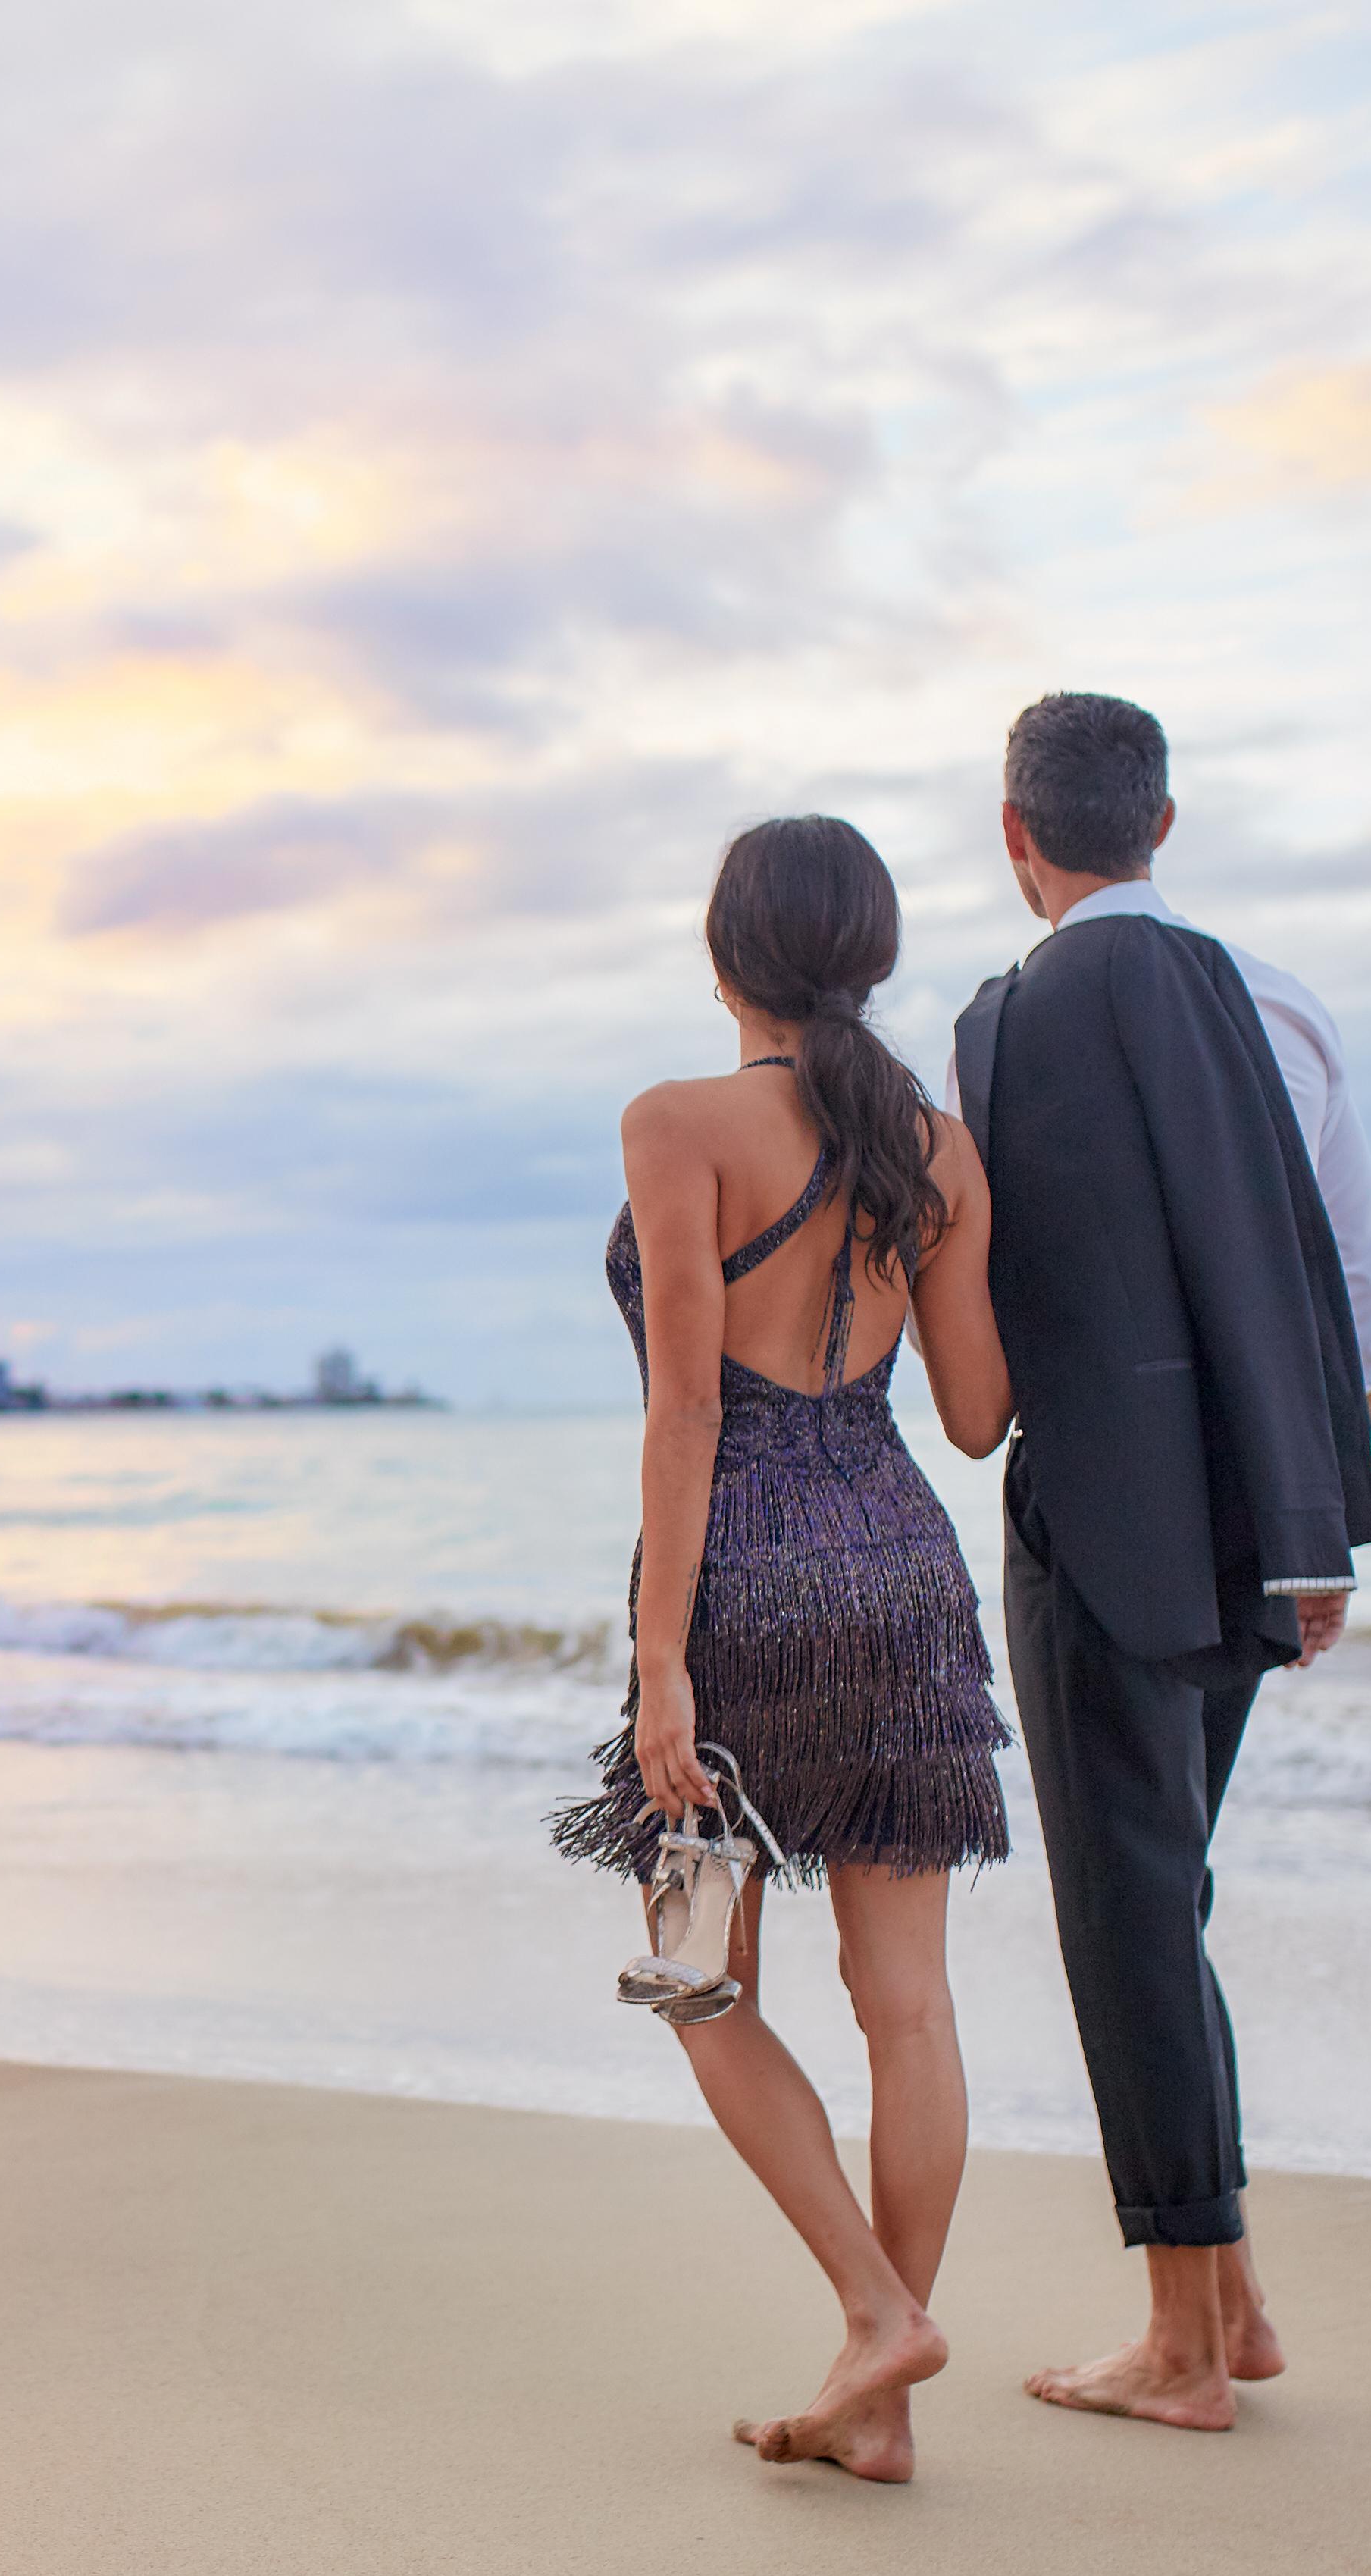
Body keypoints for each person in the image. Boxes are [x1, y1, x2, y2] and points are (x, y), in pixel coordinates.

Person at [550, 813, 1016, 2485]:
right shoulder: (942, 1149)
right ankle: (879, 2396)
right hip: (901, 1565)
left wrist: (657, 1655)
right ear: (873, 954)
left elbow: (687, 1404)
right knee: (910, 2003)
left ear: (722, 951)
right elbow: (975, 1418)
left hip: (737, 1586)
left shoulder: (675, 1123)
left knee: (695, 1974)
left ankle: (877, 2316)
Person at [947, 691, 1371, 2433]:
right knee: (1170, 1890)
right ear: (1165, 822)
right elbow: (1358, 1292)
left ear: (1016, 835)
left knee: (1124, 1913)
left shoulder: (1001, 1030)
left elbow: (1000, 1337)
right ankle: (1240, 2299)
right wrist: (1310, 1520)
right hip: (1260, 1526)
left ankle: (1185, 2350)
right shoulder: (1281, 1005)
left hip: (1105, 1528)